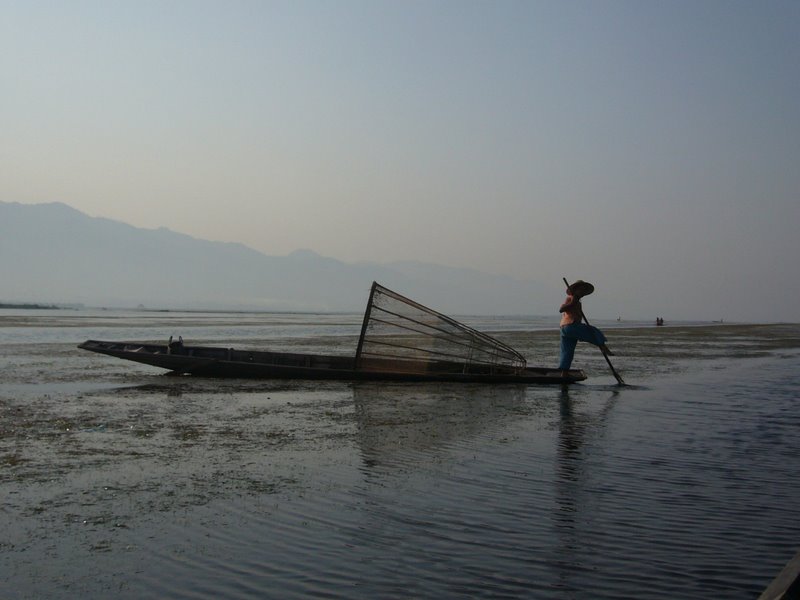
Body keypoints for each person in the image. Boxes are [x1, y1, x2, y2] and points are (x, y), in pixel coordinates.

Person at [558, 280, 612, 371]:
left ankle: (564, 371)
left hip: (566, 328)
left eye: (583, 291)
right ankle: (603, 346)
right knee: (593, 331)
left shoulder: (577, 302)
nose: (582, 292)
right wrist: (572, 303)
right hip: (570, 326)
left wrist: (575, 304)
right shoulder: (570, 298)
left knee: (568, 352)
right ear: (575, 290)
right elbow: (561, 309)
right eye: (581, 290)